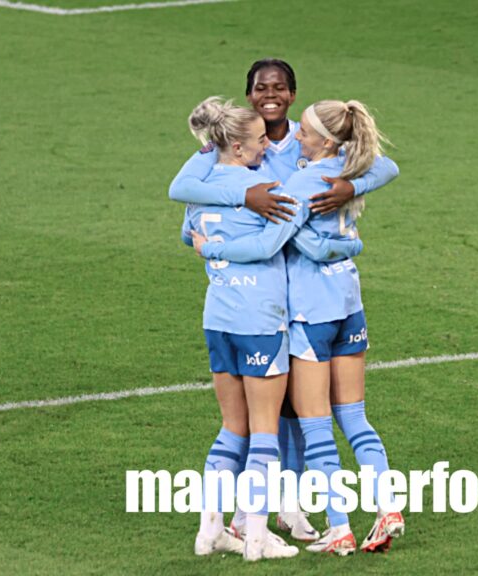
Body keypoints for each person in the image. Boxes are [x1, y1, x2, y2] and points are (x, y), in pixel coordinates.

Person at [170, 58, 400, 541]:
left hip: (289, 307)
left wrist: (350, 188)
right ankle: (262, 518)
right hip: (300, 302)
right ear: (249, 94)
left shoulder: (305, 143)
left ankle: (288, 514)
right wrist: (245, 200)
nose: (268, 95)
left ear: (292, 95)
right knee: (284, 415)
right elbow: (183, 188)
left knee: (296, 416)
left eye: (278, 87)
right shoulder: (236, 143)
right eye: (259, 87)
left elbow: (381, 168)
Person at [182, 96, 306, 562]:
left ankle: (209, 530)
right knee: (264, 432)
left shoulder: (204, 187)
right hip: (259, 321)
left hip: (218, 319)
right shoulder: (265, 188)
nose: (264, 148)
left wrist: (210, 246)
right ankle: (256, 539)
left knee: (232, 429)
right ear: (236, 146)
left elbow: (186, 234)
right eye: (257, 142)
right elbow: (273, 241)